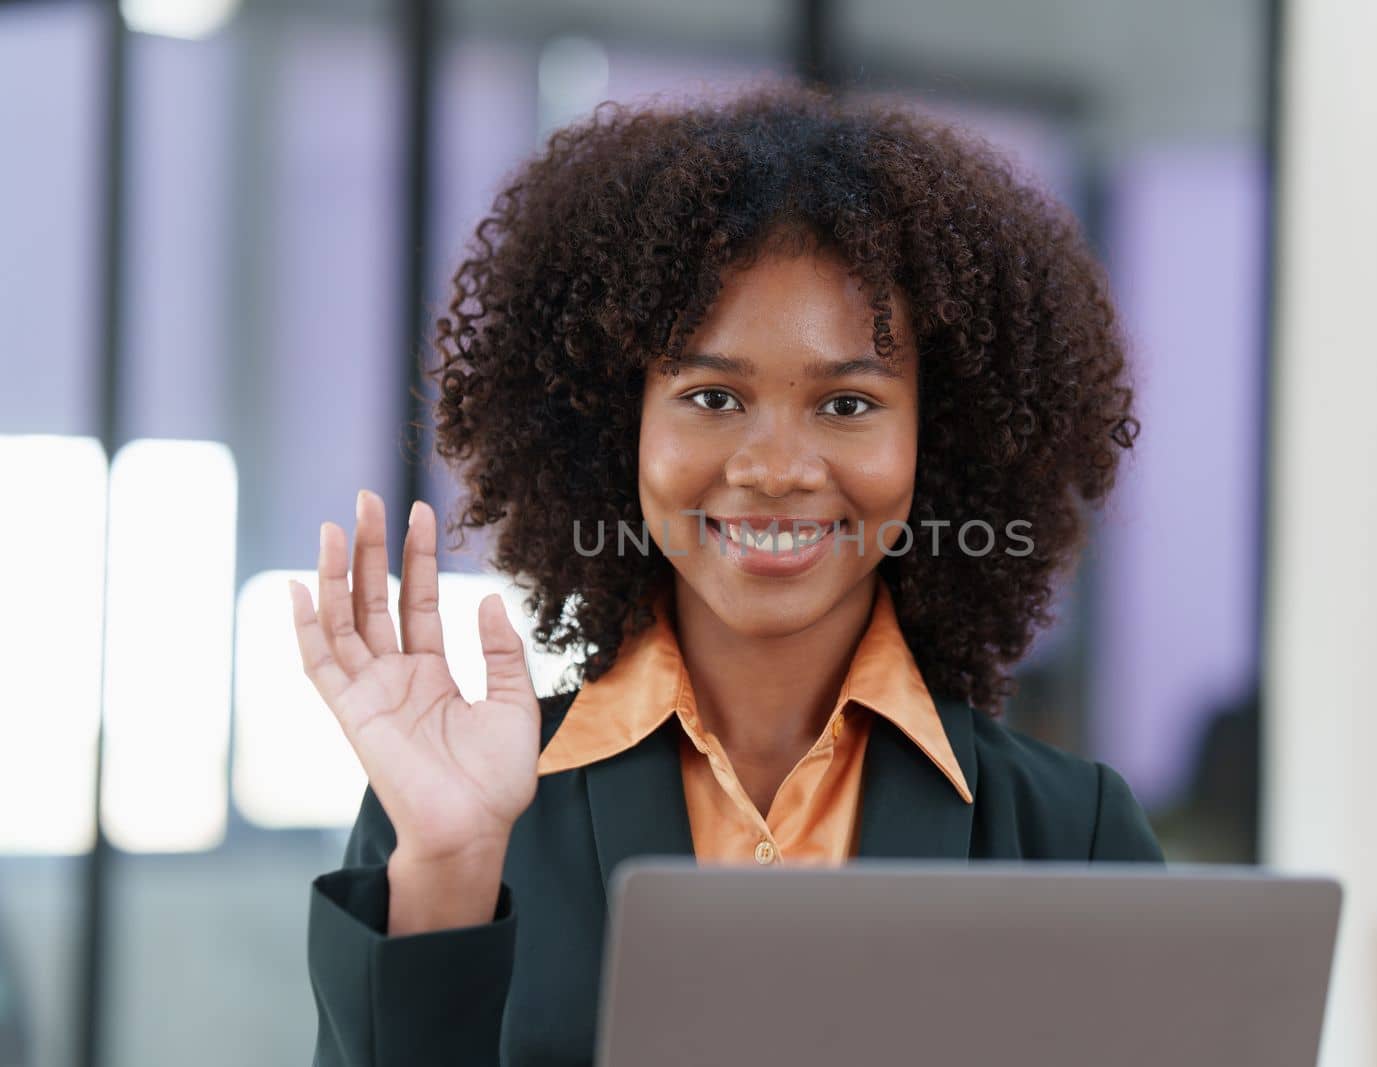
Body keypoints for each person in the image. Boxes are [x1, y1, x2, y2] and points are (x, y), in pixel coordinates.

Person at [291, 83, 1163, 1067]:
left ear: (943, 433)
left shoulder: (1067, 829)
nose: (774, 468)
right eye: (711, 395)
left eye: (845, 404)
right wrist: (450, 868)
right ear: (617, 423)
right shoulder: (462, 802)